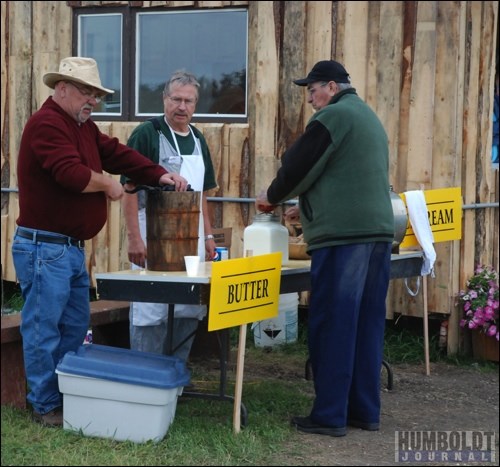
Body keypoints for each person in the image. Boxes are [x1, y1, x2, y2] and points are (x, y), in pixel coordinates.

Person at [12, 56, 188, 427]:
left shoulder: (83, 127)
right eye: (85, 92)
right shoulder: (46, 124)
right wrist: (108, 183)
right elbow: (69, 174)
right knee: (44, 329)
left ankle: (68, 396)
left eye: (95, 94)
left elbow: (118, 153)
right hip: (45, 248)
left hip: (67, 249)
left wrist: (160, 175)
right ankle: (45, 405)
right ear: (61, 89)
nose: (92, 100)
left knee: (75, 327)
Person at [256, 60, 395, 437]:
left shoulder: (332, 118)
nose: (311, 99)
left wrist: (270, 196)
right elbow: (349, 175)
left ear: (332, 87)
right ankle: (364, 410)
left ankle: (330, 415)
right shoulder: (367, 117)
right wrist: (306, 205)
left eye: (312, 90)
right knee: (365, 324)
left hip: (344, 239)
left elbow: (299, 166)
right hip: (379, 236)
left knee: (333, 322)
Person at [122, 70, 218, 361]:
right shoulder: (147, 134)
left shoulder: (198, 139)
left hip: (193, 236)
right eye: (176, 99)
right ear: (164, 100)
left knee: (189, 304)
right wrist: (134, 239)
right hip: (152, 231)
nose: (182, 107)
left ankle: (175, 373)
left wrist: (210, 236)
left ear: (195, 105)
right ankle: (146, 373)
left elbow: (202, 194)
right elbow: (128, 189)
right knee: (151, 306)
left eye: (189, 101)